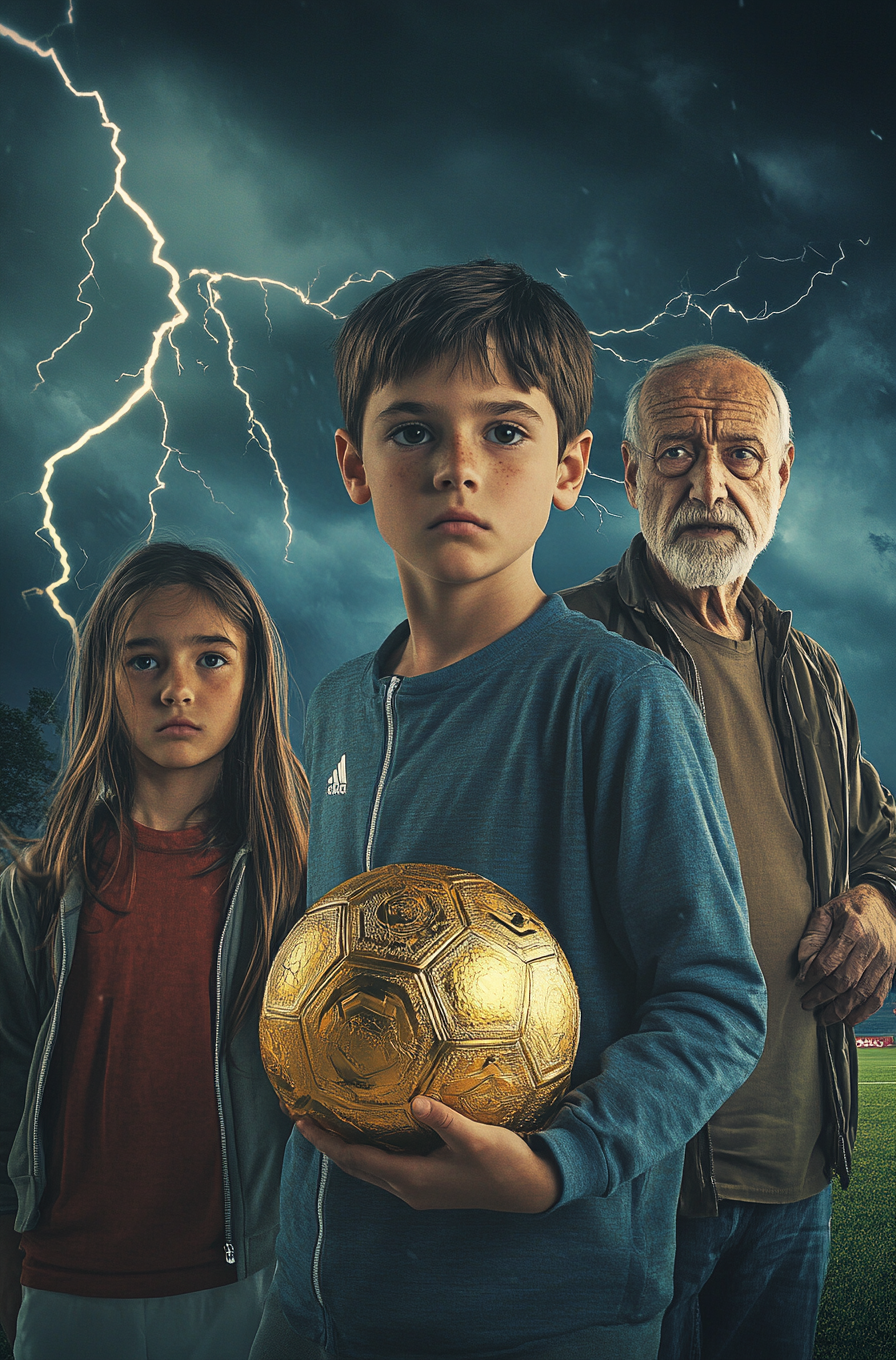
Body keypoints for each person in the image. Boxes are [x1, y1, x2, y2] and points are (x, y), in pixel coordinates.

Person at [250, 262, 767, 1360]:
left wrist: (547, 1169)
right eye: (410, 432)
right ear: (353, 464)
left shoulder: (616, 695)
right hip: (315, 1305)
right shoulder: (340, 701)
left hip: (538, 1309)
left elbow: (716, 998)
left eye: (502, 432)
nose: (456, 468)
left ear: (572, 467)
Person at [560, 343, 896, 1360]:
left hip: (794, 1178)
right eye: (674, 453)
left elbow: (879, 839)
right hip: (637, 1184)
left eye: (741, 456)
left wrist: (881, 906)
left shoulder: (806, 669)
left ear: (780, 477)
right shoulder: (565, 650)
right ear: (627, 470)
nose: (708, 483)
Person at [0, 543, 310, 1360]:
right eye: (144, 659)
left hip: (246, 1283)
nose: (177, 687)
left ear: (254, 681)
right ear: (105, 675)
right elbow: (5, 1096)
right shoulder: (37, 886)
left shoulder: (298, 884)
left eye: (212, 658)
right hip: (63, 1284)